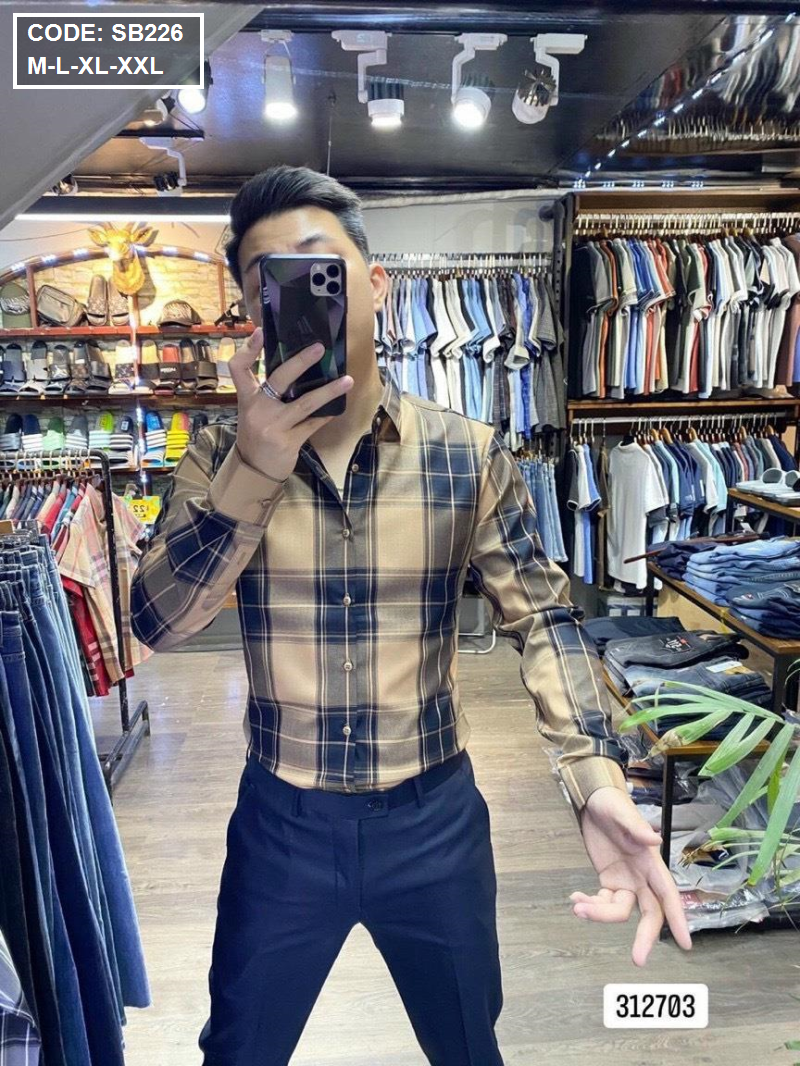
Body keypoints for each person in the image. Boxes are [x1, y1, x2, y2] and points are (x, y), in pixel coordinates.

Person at [131, 165, 692, 1066]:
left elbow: (544, 619)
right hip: (281, 826)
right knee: (238, 1048)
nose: (300, 296)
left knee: (467, 1044)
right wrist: (255, 470)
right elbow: (159, 623)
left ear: (377, 284)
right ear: (252, 314)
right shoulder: (216, 457)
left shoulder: (466, 454)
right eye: (269, 281)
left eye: (319, 269)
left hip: (435, 825)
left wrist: (596, 779)